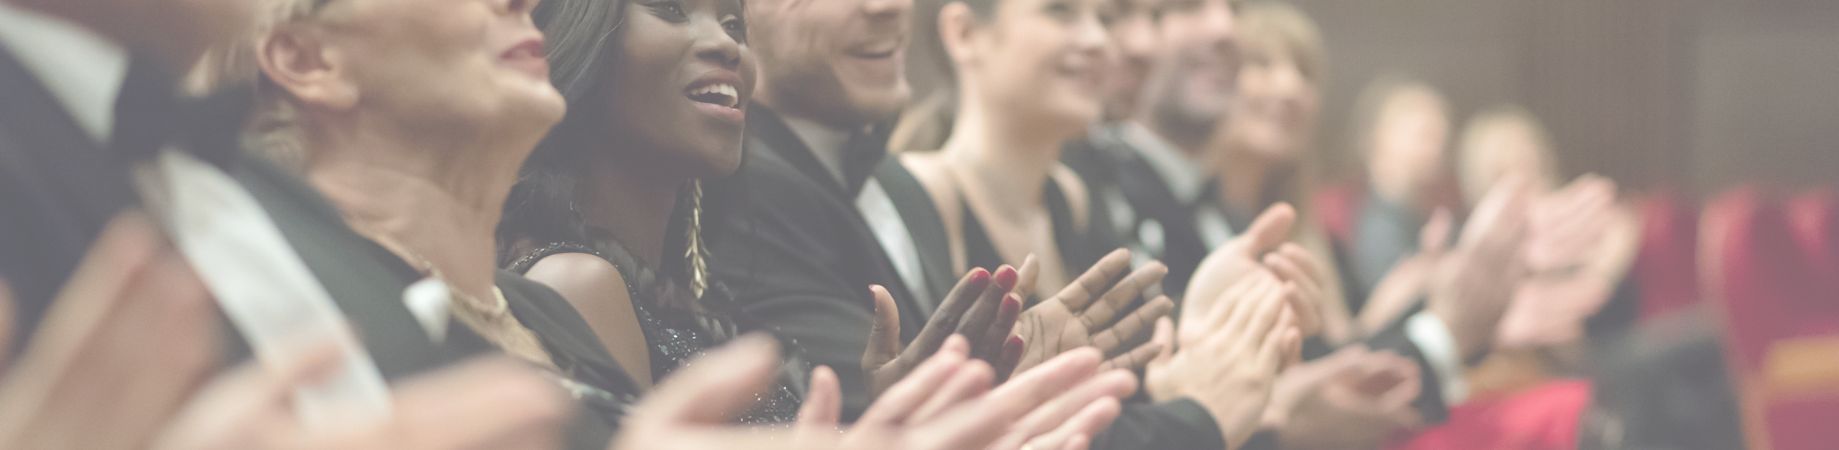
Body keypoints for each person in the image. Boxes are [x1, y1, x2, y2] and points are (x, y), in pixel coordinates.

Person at [1344, 76, 1457, 300]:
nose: (1437, 148)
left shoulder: (1419, 217)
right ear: (1380, 138)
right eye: (1425, 135)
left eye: (1441, 138)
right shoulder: (1378, 229)